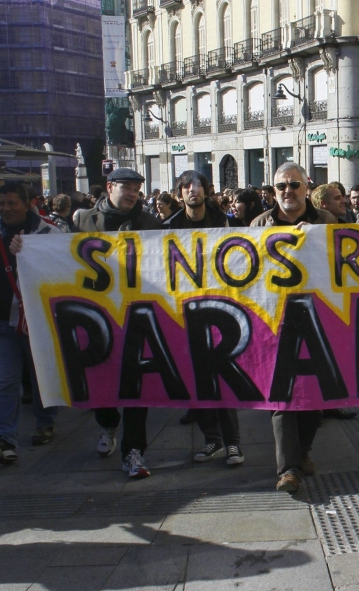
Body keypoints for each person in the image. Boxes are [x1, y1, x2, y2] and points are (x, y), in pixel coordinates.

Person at [70, 168, 162, 477]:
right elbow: (57, 257)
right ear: (110, 187)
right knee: (101, 380)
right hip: (96, 314)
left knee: (136, 384)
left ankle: (133, 451)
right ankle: (108, 424)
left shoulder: (149, 222)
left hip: (136, 314)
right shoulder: (82, 220)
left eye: (137, 188)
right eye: (127, 187)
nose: (133, 193)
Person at [250, 163, 336, 492]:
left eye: (294, 184)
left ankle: (302, 453)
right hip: (274, 321)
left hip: (318, 318)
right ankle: (288, 470)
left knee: (315, 395)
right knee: (281, 396)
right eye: (281, 186)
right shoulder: (259, 224)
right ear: (273, 191)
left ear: (306, 187)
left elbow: (341, 263)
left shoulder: (325, 221)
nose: (288, 191)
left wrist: (313, 241)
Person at [164, 171, 246, 466]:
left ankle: (233, 443)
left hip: (224, 311)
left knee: (223, 379)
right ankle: (212, 440)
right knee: (195, 380)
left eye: (198, 185)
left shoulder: (228, 222)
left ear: (207, 192)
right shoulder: (167, 228)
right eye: (186, 186)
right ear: (179, 194)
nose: (192, 191)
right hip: (185, 312)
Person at [0, 184, 61, 465]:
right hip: (0, 323)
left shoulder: (49, 234)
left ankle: (45, 421)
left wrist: (31, 253)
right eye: (1, 203)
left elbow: (62, 271)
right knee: (5, 381)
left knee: (41, 376)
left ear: (29, 203)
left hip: (39, 321)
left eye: (12, 203)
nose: (6, 208)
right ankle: (3, 439)